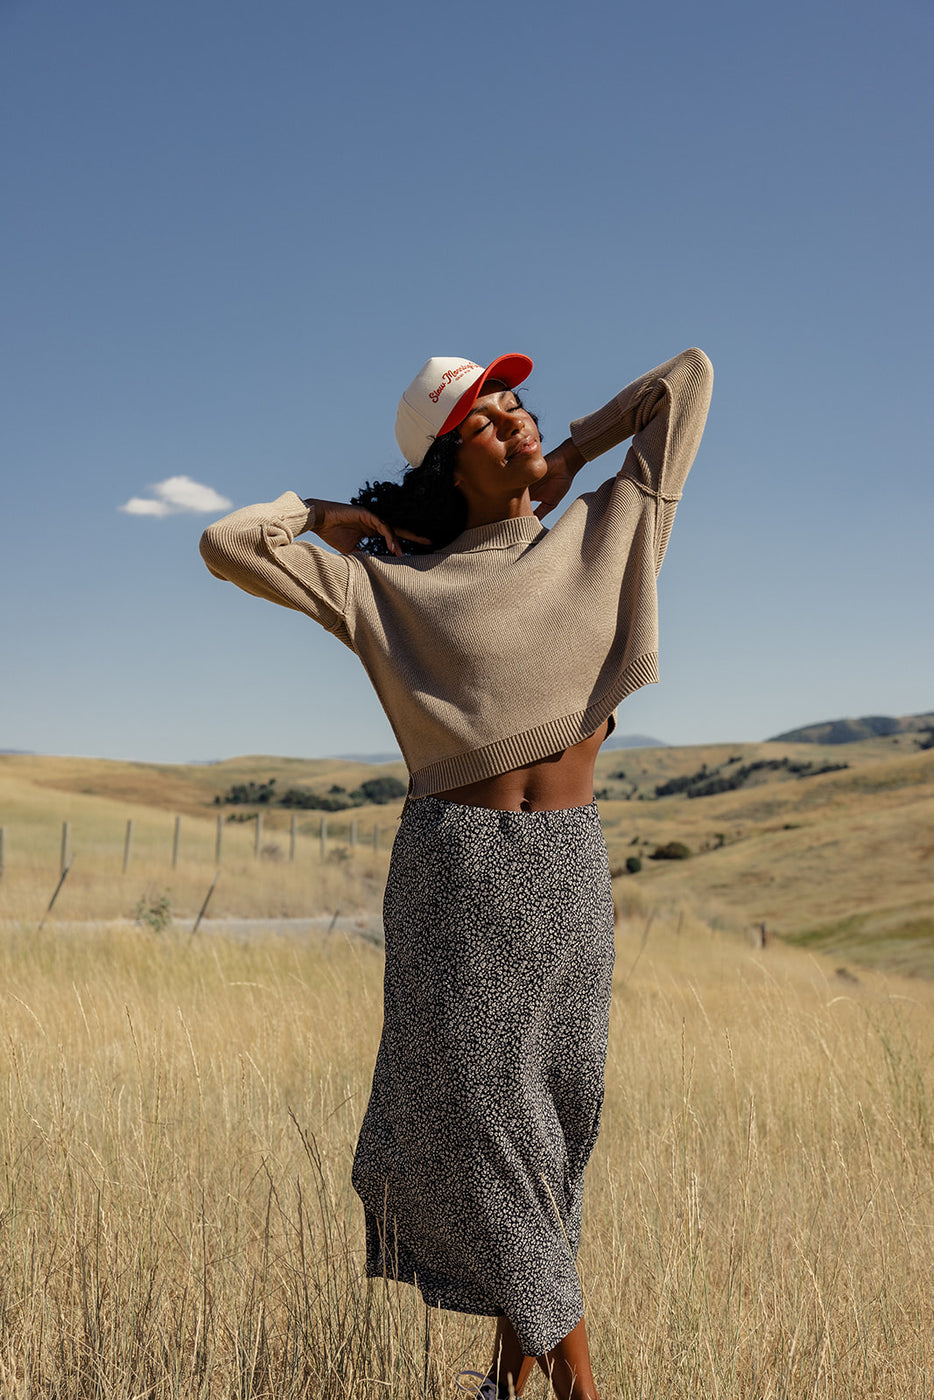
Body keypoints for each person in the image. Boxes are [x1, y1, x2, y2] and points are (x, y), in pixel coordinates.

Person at [200, 344, 713, 1400]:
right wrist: (332, 510)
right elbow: (227, 541)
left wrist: (568, 453)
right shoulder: (391, 584)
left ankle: (500, 1380)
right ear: (445, 461)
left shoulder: (610, 527)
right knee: (487, 1123)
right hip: (455, 875)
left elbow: (685, 382)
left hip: (570, 867)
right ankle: (581, 1387)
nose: (517, 418)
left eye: (520, 404)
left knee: (551, 1117)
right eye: (487, 419)